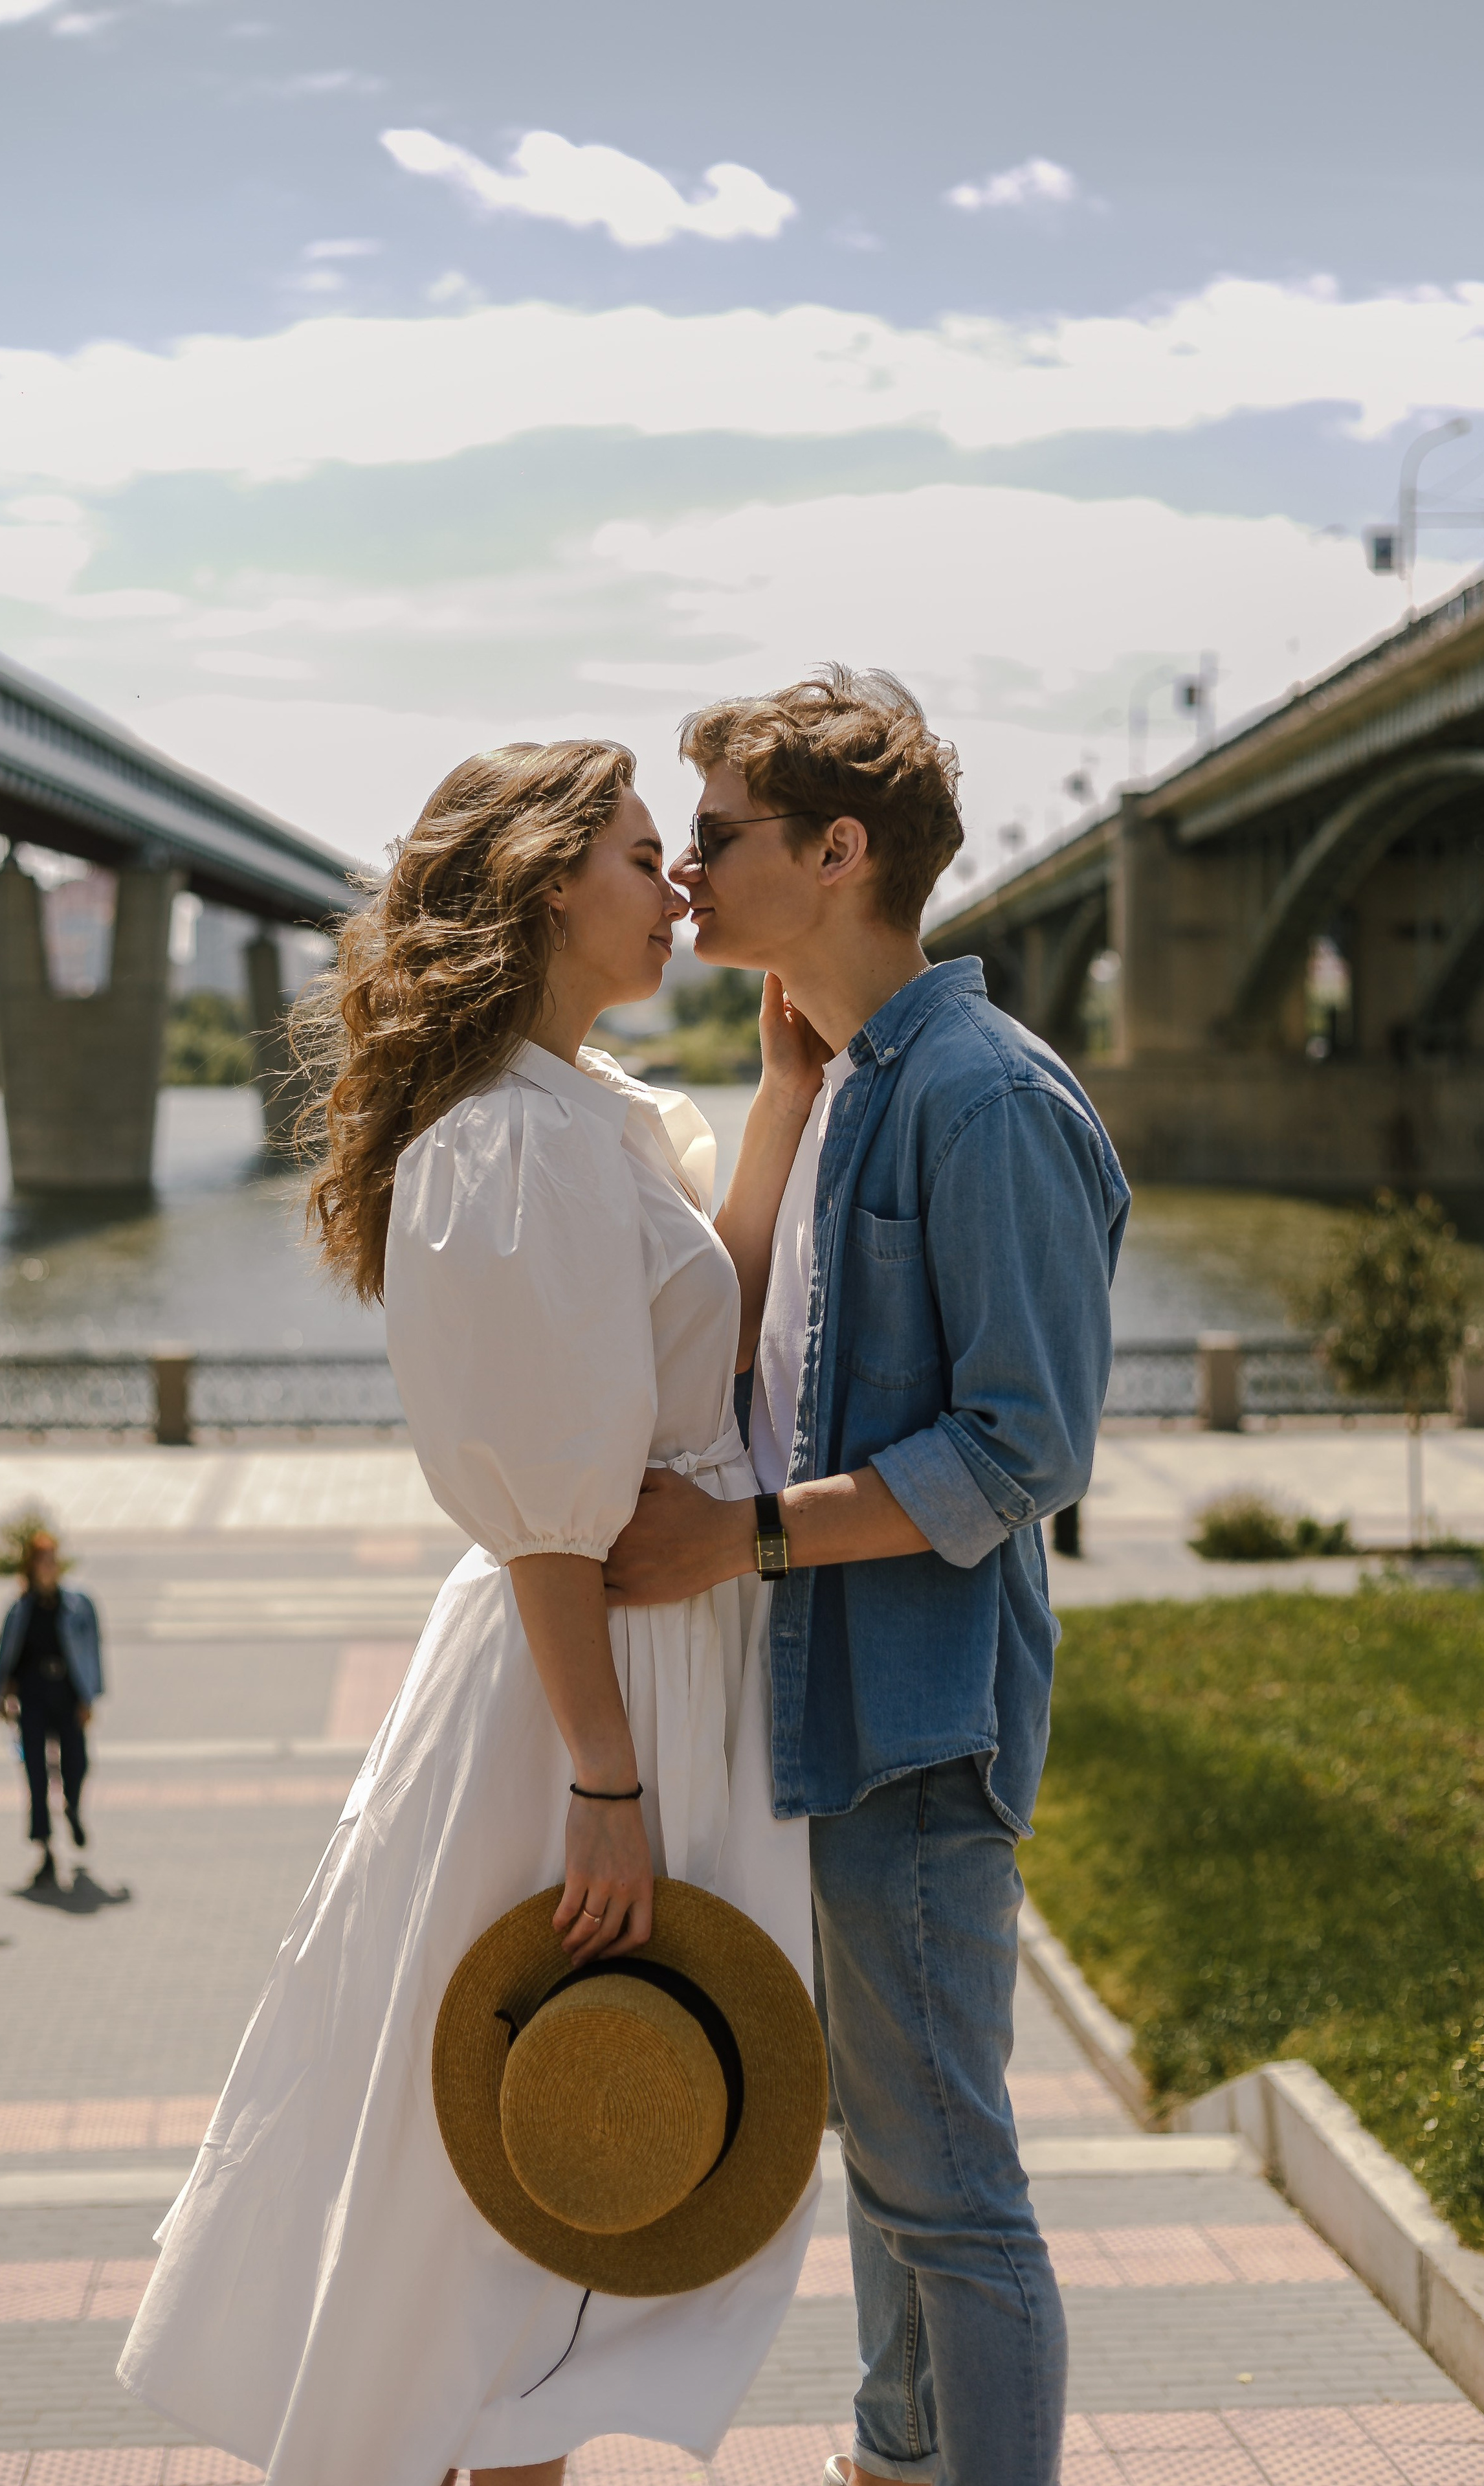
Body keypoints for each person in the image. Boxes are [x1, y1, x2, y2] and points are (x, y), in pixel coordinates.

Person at [119, 741, 817, 2486]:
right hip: (577, 1687)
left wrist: (780, 1099)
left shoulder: (581, 1113)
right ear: (540, 883)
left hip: (638, 1665)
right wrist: (603, 1770)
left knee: (576, 2161)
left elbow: (696, 1345)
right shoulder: (504, 1142)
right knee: (513, 2173)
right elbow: (541, 1497)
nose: (676, 888)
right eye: (648, 855)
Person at [604, 667, 1130, 2486]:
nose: (681, 872)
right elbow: (758, 1357)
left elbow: (1024, 1447)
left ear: (837, 855)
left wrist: (740, 1539)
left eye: (719, 837)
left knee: (952, 2187)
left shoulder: (983, 1101)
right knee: (892, 2163)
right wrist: (771, 1106)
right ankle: (893, 2458)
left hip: (913, 1718)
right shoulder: (838, 1082)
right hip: (825, 1704)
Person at [0, 1530, 102, 1887]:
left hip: (67, 1693)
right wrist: (2, 1697)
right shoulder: (21, 1608)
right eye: (42, 1560)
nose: (48, 1567)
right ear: (32, 1566)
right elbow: (7, 1658)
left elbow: (92, 1651)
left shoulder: (78, 1603)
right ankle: (45, 1850)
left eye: (53, 1560)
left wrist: (90, 1698)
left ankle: (72, 1807)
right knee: (36, 1774)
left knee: (76, 1762)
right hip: (34, 1697)